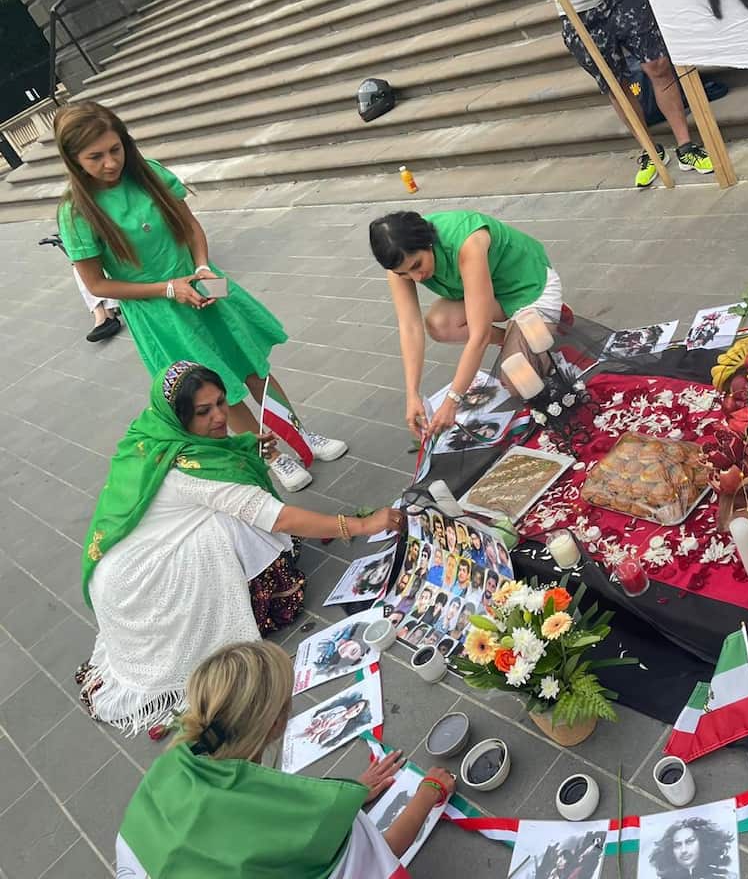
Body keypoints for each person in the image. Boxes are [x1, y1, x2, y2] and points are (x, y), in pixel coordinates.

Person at [76, 361, 404, 734]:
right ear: (179, 417)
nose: (219, 417)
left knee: (229, 515)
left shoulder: (152, 434)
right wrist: (361, 525)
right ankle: (262, 600)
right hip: (142, 587)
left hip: (121, 571)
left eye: (220, 403)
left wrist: (242, 447)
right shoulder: (187, 469)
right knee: (228, 523)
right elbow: (276, 518)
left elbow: (220, 456)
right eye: (204, 412)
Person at [54, 101, 345, 492]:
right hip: (160, 311)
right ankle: (271, 456)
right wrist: (168, 289)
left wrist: (203, 266)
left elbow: (191, 229)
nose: (110, 163)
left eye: (115, 149)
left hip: (202, 285)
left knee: (253, 366)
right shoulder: (76, 214)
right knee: (217, 388)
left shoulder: (149, 174)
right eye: (96, 156)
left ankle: (301, 434)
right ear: (74, 160)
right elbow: (98, 285)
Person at [115, 641, 456, 876]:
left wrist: (351, 791)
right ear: (277, 723)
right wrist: (428, 793)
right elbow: (376, 862)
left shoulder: (172, 767)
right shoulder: (296, 821)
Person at [489, 0, 715, 188]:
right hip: (576, 11)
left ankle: (685, 145)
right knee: (617, 85)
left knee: (658, 65)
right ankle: (650, 151)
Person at [371, 210, 564, 441]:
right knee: (439, 324)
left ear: (428, 242)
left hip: (529, 288)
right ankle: (523, 338)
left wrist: (453, 400)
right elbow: (410, 327)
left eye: (417, 265)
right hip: (490, 295)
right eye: (404, 274)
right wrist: (412, 394)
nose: (416, 278)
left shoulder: (467, 242)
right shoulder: (398, 261)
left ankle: (537, 331)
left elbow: (479, 335)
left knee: (516, 382)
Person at [649, 817, 737, 879]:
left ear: (703, 842)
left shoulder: (726, 877)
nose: (683, 850)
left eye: (690, 841)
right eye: (677, 845)